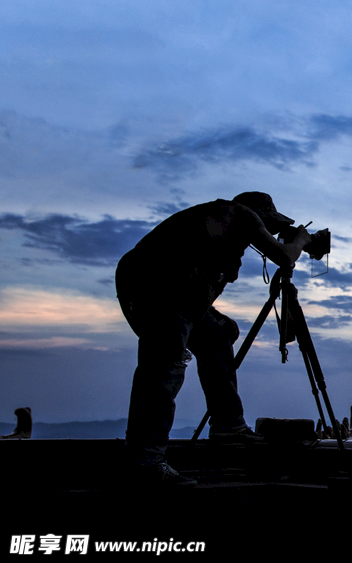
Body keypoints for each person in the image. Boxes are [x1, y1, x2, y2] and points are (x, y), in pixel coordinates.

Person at [116, 192, 310, 486]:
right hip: (158, 289)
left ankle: (228, 425)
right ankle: (146, 463)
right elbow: (284, 257)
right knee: (164, 369)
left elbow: (192, 276)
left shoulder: (218, 229)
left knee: (218, 334)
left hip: (166, 289)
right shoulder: (240, 213)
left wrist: (215, 318)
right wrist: (302, 240)